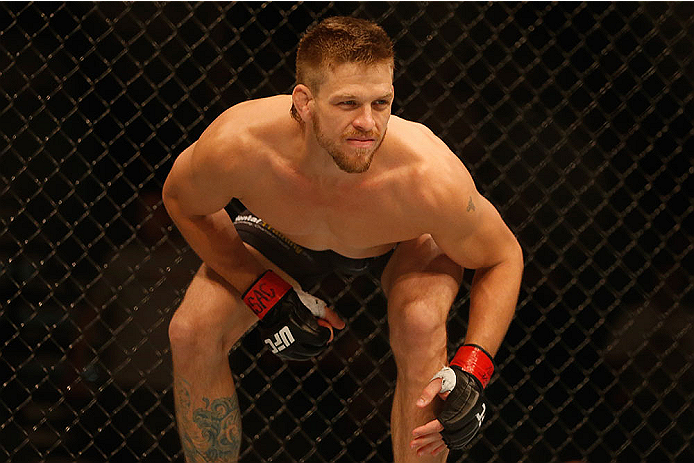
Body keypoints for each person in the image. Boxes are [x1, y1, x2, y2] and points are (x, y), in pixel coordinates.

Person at [162, 16, 523, 463]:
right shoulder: (240, 145)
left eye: (381, 102)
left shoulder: (427, 178)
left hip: (398, 242)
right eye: (348, 103)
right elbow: (182, 201)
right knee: (192, 330)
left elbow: (503, 256)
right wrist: (260, 290)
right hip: (282, 231)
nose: (367, 123)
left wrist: (473, 367)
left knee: (421, 323)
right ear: (304, 102)